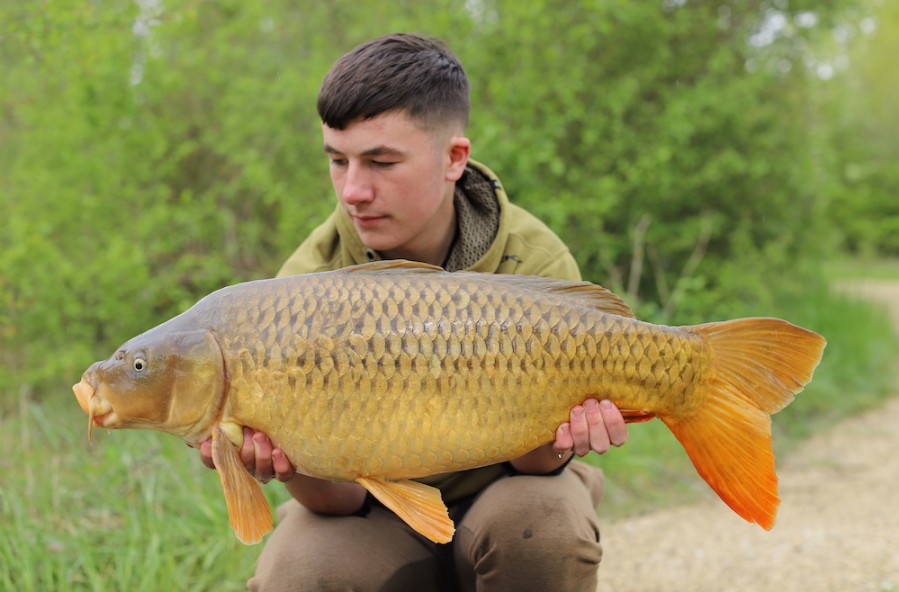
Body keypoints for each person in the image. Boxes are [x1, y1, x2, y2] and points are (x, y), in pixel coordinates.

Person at [199, 33, 628, 591]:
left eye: (381, 162)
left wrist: (567, 432)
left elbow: (535, 466)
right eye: (338, 160)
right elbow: (340, 501)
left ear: (453, 158)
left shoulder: (533, 259)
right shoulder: (300, 289)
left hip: (504, 495)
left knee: (542, 526)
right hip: (372, 518)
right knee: (301, 570)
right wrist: (288, 463)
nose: (353, 190)